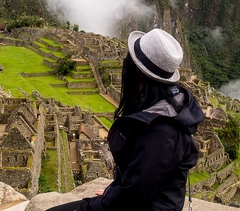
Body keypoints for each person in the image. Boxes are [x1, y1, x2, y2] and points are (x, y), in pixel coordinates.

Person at [47, 28, 205, 211]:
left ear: (139, 74)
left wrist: (97, 203)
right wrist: (112, 190)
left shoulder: (161, 131)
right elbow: (140, 179)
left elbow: (132, 197)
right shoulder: (164, 108)